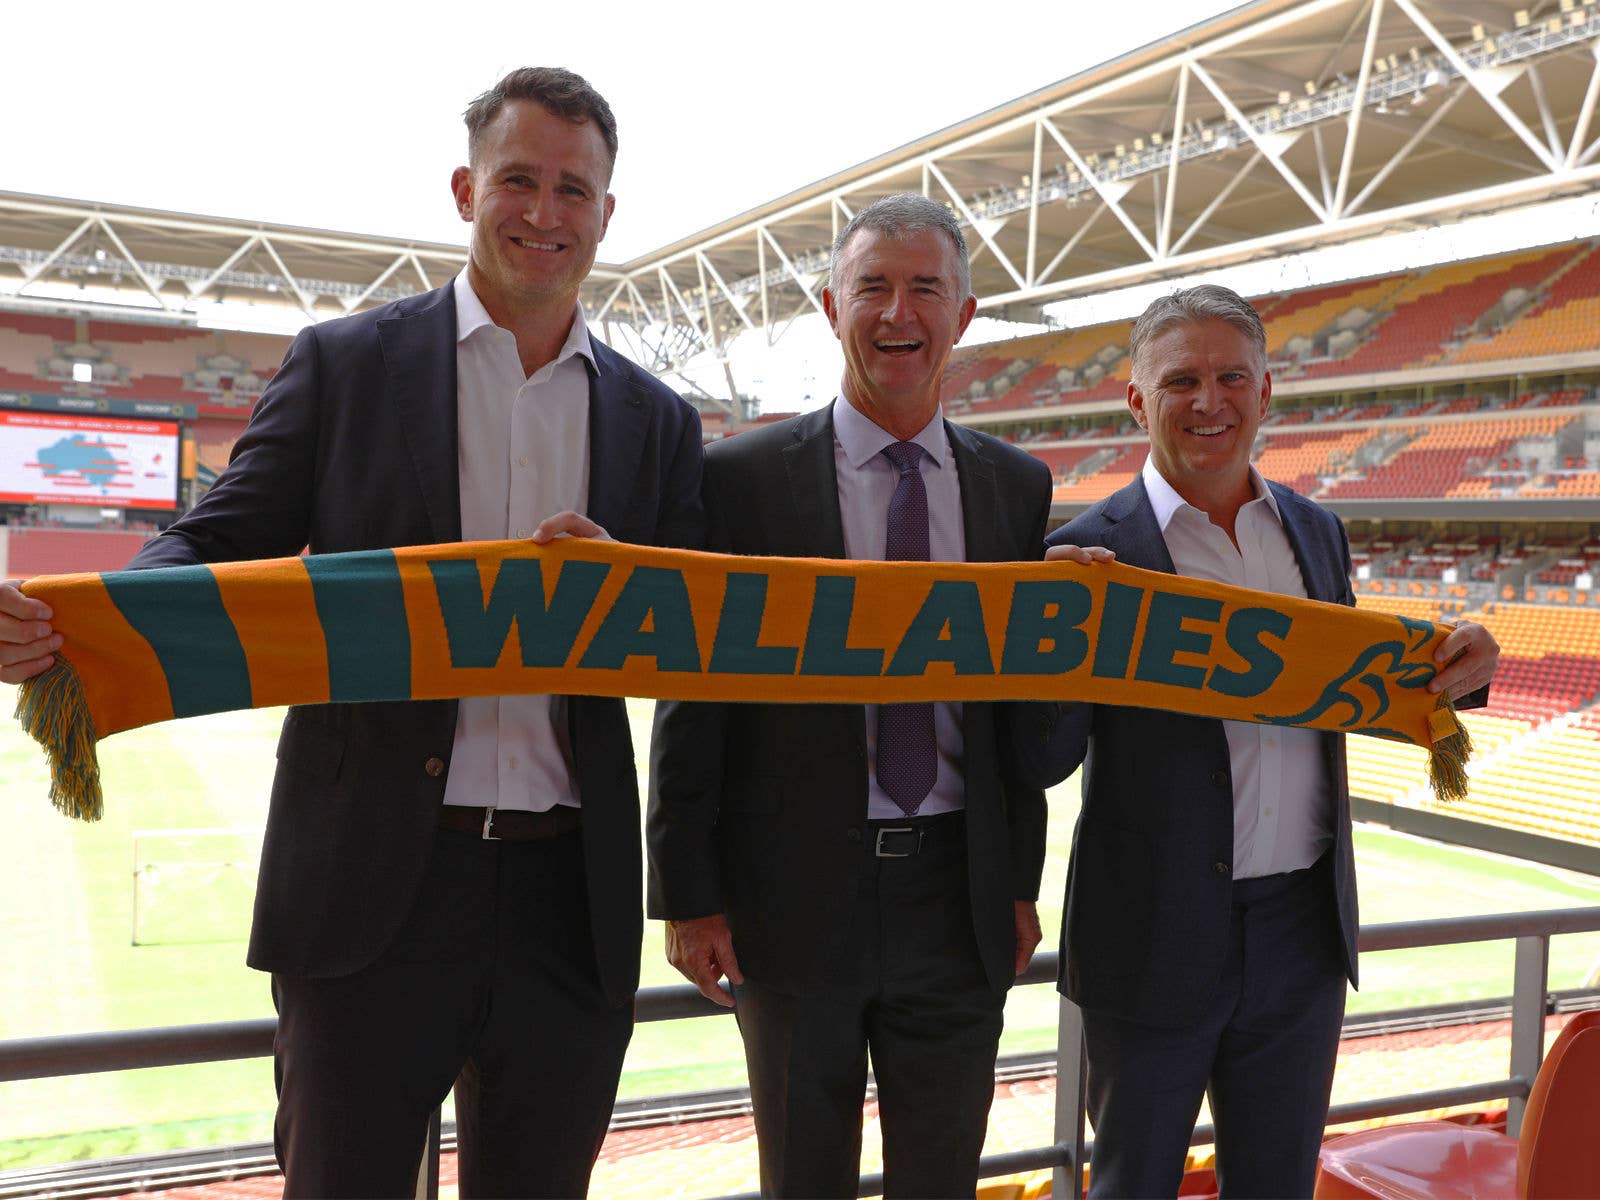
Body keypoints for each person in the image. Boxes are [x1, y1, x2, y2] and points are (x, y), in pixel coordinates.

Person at [1, 67, 704, 1198]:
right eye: (517, 180)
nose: (543, 212)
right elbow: (219, 536)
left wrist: (628, 584)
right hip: (372, 887)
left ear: (606, 215)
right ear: (465, 188)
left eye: (573, 190)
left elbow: (700, 644)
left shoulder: (657, 420)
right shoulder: (346, 364)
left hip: (568, 901)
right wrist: (79, 618)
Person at [1017, 284, 1500, 1198]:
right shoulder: (1085, 555)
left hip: (1301, 937)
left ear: (1266, 391)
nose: (1210, 401)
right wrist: (1051, 643)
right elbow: (1041, 761)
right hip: (1149, 938)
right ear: (1137, 401)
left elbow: (1361, 686)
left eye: (1231, 376)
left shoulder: (1317, 534)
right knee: (1132, 1186)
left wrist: (1465, 669)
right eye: (1182, 380)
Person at [647, 193, 1052, 1199]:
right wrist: (688, 895)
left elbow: (1007, 720)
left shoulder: (1016, 487)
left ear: (962, 317)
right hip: (790, 897)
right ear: (831, 306)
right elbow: (694, 694)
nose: (896, 312)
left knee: (941, 1178)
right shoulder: (736, 481)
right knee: (803, 1179)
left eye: (925, 289)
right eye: (872, 286)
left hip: (957, 898)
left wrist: (1015, 882)